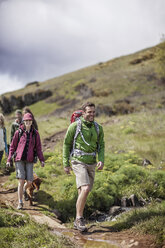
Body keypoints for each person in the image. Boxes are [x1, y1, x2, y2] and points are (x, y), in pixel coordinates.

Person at [63, 102, 105, 231]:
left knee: (83, 191)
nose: (92, 114)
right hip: (78, 161)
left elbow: (101, 145)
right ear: (83, 112)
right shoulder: (74, 126)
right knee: (86, 188)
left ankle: (77, 220)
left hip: (92, 162)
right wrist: (66, 163)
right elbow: (66, 144)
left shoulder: (98, 128)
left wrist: (101, 160)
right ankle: (79, 218)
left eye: (93, 112)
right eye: (89, 112)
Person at [6, 113, 45, 210]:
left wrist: (42, 160)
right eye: (26, 121)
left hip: (30, 160)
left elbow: (38, 148)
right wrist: (9, 159)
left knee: (30, 181)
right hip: (19, 159)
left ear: (32, 122)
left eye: (29, 121)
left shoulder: (35, 133)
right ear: (24, 122)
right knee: (21, 180)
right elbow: (12, 146)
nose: (28, 123)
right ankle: (20, 202)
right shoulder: (18, 132)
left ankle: (23, 190)